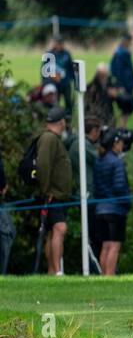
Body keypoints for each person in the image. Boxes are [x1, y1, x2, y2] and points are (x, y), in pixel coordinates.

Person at [33, 106, 73, 275]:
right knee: (60, 228)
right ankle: (57, 271)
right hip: (52, 195)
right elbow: (43, 165)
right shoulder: (49, 138)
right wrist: (46, 190)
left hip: (55, 195)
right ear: (62, 122)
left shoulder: (51, 138)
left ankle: (52, 271)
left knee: (53, 231)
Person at [92, 128, 131, 275]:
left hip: (100, 208)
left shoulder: (99, 161)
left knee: (105, 245)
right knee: (114, 245)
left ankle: (104, 276)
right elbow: (119, 187)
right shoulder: (116, 162)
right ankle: (110, 275)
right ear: (115, 143)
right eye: (121, 142)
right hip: (115, 209)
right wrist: (127, 202)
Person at [43, 35, 75, 114]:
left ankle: (68, 117)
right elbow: (45, 70)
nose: (59, 45)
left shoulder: (66, 54)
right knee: (54, 102)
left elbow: (71, 68)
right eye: (57, 43)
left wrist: (72, 79)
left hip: (65, 82)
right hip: (54, 83)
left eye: (60, 43)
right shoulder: (49, 54)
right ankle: (56, 116)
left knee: (68, 100)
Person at [109, 34, 133, 124]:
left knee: (128, 107)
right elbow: (118, 70)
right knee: (126, 107)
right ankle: (121, 127)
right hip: (124, 84)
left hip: (127, 84)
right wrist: (120, 85)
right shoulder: (121, 53)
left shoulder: (121, 51)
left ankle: (122, 126)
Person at [84, 63, 116, 128]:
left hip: (108, 112)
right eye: (103, 74)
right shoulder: (92, 87)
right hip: (96, 114)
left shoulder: (109, 82)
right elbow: (89, 103)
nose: (105, 76)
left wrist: (115, 95)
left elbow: (114, 96)